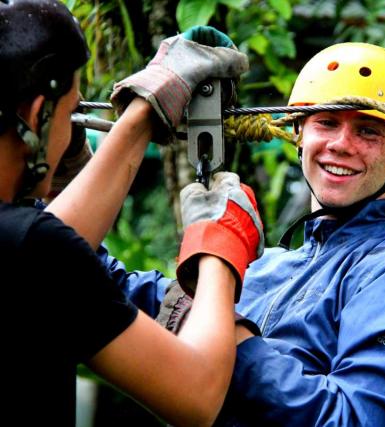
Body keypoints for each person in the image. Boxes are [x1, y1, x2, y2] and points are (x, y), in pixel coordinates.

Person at [162, 43, 385, 426]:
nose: (341, 144)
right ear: (297, 132)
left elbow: (355, 419)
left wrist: (227, 332)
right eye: (327, 122)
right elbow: (100, 291)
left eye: (368, 131)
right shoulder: (267, 270)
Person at [0, 1, 262, 425]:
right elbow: (197, 392)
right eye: (72, 113)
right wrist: (218, 246)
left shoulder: (27, 250)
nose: (74, 130)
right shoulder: (35, 249)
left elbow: (32, 264)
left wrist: (141, 117)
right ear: (36, 115)